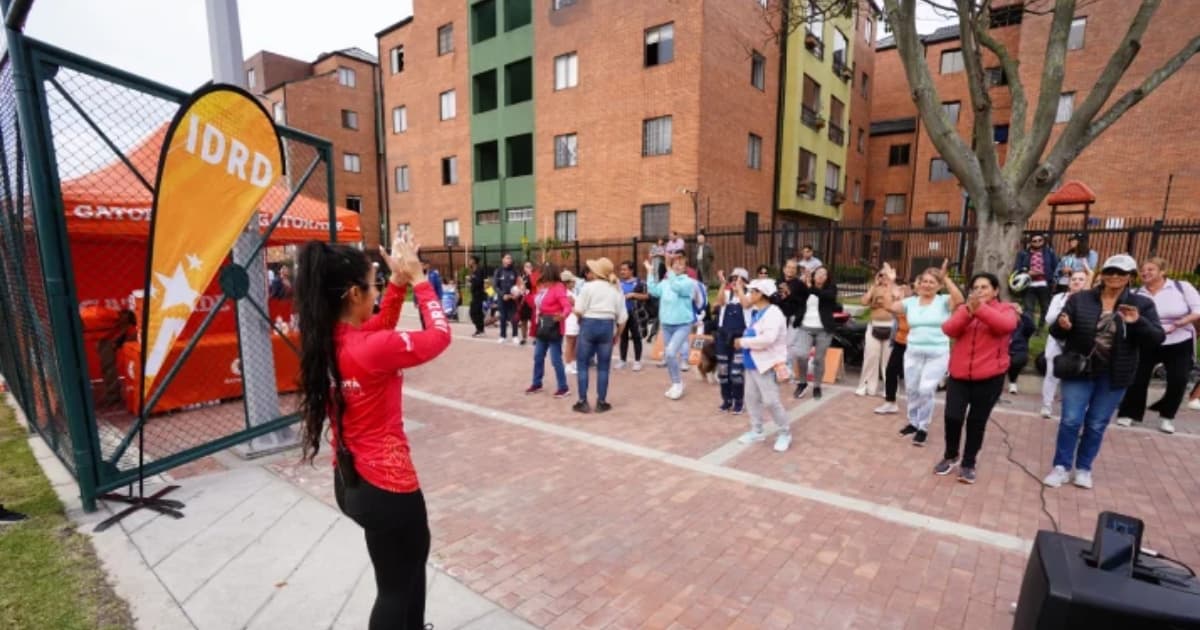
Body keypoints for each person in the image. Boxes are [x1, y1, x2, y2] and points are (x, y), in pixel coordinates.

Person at [295, 234, 450, 630]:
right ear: (352, 293)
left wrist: (397, 283)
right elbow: (439, 336)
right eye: (374, 285)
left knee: (402, 573)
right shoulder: (368, 349)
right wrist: (419, 280)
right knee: (398, 588)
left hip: (352, 483)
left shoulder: (330, 339)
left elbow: (378, 328)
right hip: (388, 487)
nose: (377, 291)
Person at [1043, 254, 1163, 490]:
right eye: (1110, 271)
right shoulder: (1081, 299)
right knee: (1070, 420)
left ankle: (1084, 468)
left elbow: (1157, 338)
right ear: (1102, 274)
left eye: (1121, 273)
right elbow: (1057, 331)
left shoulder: (1142, 304)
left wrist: (1137, 322)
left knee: (1097, 423)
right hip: (1080, 368)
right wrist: (1062, 325)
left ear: (1130, 277)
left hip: (1114, 373)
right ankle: (1061, 467)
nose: (1114, 276)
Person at [932, 273, 1018, 484]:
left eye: (985, 287)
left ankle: (969, 463)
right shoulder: (964, 309)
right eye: (976, 287)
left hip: (989, 377)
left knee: (976, 422)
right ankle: (951, 455)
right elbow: (949, 329)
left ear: (995, 291)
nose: (979, 291)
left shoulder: (1006, 310)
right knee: (952, 417)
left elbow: (1005, 326)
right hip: (960, 375)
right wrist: (969, 312)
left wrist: (980, 310)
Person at [1114, 257, 1200, 434]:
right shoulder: (1137, 293)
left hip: (1178, 339)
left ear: (1162, 272)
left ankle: (1167, 417)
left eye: (1150, 269)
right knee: (1138, 377)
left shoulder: (1181, 287)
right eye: (1143, 270)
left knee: (1179, 379)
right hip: (1148, 338)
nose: (1145, 273)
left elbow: (1198, 310)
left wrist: (1179, 323)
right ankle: (1129, 414)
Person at [889, 260, 965, 446]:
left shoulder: (943, 301)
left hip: (937, 353)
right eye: (924, 281)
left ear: (938, 285)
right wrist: (892, 284)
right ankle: (913, 422)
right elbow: (892, 307)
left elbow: (960, 299)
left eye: (932, 282)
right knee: (913, 389)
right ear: (919, 283)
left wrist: (946, 278)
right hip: (913, 352)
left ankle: (923, 427)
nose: (927, 285)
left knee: (926, 389)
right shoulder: (911, 302)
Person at [734, 278, 794, 452]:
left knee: (771, 401)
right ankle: (757, 430)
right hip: (752, 364)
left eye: (752, 291)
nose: (749, 295)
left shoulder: (773, 313)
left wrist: (743, 342)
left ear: (761, 294)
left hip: (766, 364)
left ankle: (784, 432)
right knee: (751, 399)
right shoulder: (757, 311)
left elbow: (768, 339)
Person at [573, 258, 628, 413]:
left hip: (588, 324)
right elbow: (623, 318)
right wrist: (617, 335)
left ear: (597, 272)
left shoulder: (587, 287)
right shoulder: (616, 289)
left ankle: (582, 401)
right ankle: (601, 402)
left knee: (582, 364)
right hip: (607, 326)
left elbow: (578, 310)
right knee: (603, 367)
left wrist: (580, 322)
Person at [1040, 268, 1093, 418]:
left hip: (1077, 342)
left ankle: (1073, 407)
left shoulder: (1090, 300)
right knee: (1051, 373)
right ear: (1069, 283)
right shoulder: (1059, 298)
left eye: (1081, 279)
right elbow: (1049, 319)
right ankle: (1046, 405)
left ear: (1086, 283)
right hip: (1056, 339)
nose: (1076, 281)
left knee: (1076, 374)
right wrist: (1066, 314)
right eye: (1074, 279)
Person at [646, 254, 700, 400]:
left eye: (680, 264)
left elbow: (676, 287)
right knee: (668, 356)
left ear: (685, 267)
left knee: (670, 352)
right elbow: (653, 290)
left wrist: (669, 269)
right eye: (675, 263)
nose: (677, 266)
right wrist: (650, 272)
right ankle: (675, 383)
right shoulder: (665, 282)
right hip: (667, 324)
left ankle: (678, 383)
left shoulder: (688, 282)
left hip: (682, 324)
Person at [526, 263, 573, 399]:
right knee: (538, 356)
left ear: (549, 275)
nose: (541, 277)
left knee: (555, 359)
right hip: (542, 326)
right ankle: (537, 383)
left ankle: (563, 387)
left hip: (554, 327)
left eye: (543, 274)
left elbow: (567, 306)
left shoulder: (558, 288)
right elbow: (534, 303)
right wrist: (526, 293)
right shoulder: (543, 288)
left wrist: (562, 316)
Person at [792, 265, 839, 400]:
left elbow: (826, 296)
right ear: (813, 275)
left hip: (823, 330)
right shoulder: (805, 286)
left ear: (827, 278)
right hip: (805, 327)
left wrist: (810, 287)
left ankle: (817, 385)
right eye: (818, 273)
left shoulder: (831, 289)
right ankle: (802, 383)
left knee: (818, 359)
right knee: (802, 355)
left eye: (824, 274)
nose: (821, 276)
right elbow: (795, 297)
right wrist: (801, 283)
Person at [858, 265, 900, 397]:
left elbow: (899, 299)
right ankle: (867, 386)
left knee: (887, 361)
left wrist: (891, 284)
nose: (883, 277)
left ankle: (889, 388)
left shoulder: (896, 288)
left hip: (891, 326)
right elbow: (864, 302)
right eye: (881, 275)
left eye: (885, 274)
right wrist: (873, 287)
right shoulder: (874, 288)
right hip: (874, 325)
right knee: (871, 357)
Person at [876, 278, 914, 415]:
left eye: (906, 288)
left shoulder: (917, 304)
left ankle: (917, 406)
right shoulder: (900, 303)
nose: (903, 290)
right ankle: (890, 402)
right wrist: (891, 286)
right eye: (901, 288)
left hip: (915, 344)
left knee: (913, 376)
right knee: (891, 370)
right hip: (900, 341)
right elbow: (888, 306)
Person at [714, 268, 750, 414]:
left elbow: (746, 305)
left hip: (740, 338)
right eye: (733, 279)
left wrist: (740, 289)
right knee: (723, 371)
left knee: (736, 372)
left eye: (740, 279)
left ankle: (739, 401)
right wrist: (723, 284)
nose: (735, 282)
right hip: (723, 336)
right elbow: (718, 302)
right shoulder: (727, 294)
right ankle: (726, 400)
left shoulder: (749, 295)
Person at [1015, 234, 1058, 330]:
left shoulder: (1050, 253)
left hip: (1045, 284)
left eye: (1040, 240)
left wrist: (1053, 280)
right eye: (1034, 241)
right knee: (1028, 308)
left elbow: (1056, 267)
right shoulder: (1023, 254)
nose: (1037, 242)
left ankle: (1040, 329)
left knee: (1045, 308)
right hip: (1028, 284)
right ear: (1031, 242)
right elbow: (1017, 268)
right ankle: (1030, 328)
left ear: (1043, 241)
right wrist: (1027, 272)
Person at [616, 261, 648, 371]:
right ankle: (622, 360)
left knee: (636, 337)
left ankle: (637, 361)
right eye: (621, 270)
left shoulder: (640, 283)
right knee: (623, 337)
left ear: (631, 270)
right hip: (623, 314)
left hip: (635, 314)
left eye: (625, 269)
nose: (622, 272)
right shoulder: (618, 283)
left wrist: (634, 295)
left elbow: (647, 296)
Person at [1006, 304, 1036, 395]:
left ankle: (1013, 382)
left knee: (1016, 361)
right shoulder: (1004, 325)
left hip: (1019, 352)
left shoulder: (1024, 326)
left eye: (1016, 314)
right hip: (1005, 351)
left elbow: (1031, 327)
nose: (1014, 316)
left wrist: (1022, 313)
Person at [492, 254, 519, 344]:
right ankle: (502, 336)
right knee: (502, 317)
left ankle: (515, 336)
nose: (509, 260)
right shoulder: (498, 271)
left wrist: (517, 293)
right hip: (502, 298)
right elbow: (495, 286)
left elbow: (519, 284)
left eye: (510, 258)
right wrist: (502, 295)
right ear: (502, 259)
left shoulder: (514, 271)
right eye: (507, 258)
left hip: (513, 298)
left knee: (514, 317)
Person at [561, 270, 581, 375]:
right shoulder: (566, 294)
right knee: (570, 343)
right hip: (570, 320)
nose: (574, 283)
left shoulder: (572, 292)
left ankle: (573, 362)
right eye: (572, 281)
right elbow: (572, 307)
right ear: (567, 283)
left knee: (575, 343)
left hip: (575, 320)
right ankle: (568, 365)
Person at [516, 261, 539, 346]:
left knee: (533, 320)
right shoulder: (521, 277)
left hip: (532, 300)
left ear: (532, 267)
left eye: (529, 266)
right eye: (526, 266)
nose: (528, 268)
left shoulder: (534, 275)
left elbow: (535, 284)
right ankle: (524, 338)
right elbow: (518, 286)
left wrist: (530, 275)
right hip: (523, 300)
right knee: (523, 320)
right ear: (523, 268)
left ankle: (535, 338)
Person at [467, 256, 486, 337]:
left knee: (474, 312)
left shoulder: (480, 270)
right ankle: (480, 329)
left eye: (470, 260)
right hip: (474, 295)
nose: (469, 261)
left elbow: (483, 282)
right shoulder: (473, 271)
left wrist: (470, 279)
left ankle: (479, 329)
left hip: (479, 295)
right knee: (477, 313)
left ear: (474, 261)